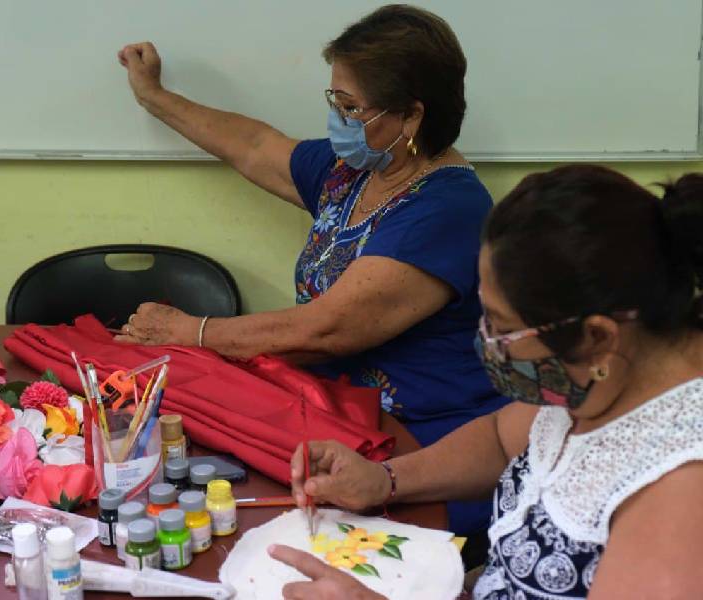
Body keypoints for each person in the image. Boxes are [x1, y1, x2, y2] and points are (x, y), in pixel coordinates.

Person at [116, 5, 507, 535]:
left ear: (411, 116)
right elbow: (256, 147)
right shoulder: (356, 170)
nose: (338, 120)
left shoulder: (447, 208)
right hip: (334, 421)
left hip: (420, 449)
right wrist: (156, 98)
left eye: (351, 107)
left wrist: (193, 331)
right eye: (334, 101)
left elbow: (328, 328)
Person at [269, 165, 703, 599]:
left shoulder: (681, 496)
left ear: (597, 336)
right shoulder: (598, 377)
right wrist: (384, 479)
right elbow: (501, 438)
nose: (487, 340)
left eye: (502, 326)